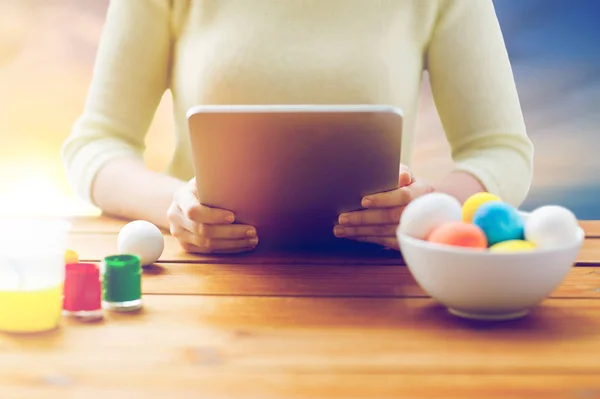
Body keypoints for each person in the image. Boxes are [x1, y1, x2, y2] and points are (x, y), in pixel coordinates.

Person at [61, 0, 533, 254]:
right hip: (204, 282)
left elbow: (500, 149)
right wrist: (175, 208)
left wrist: (428, 210)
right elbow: (97, 144)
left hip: (379, 286)